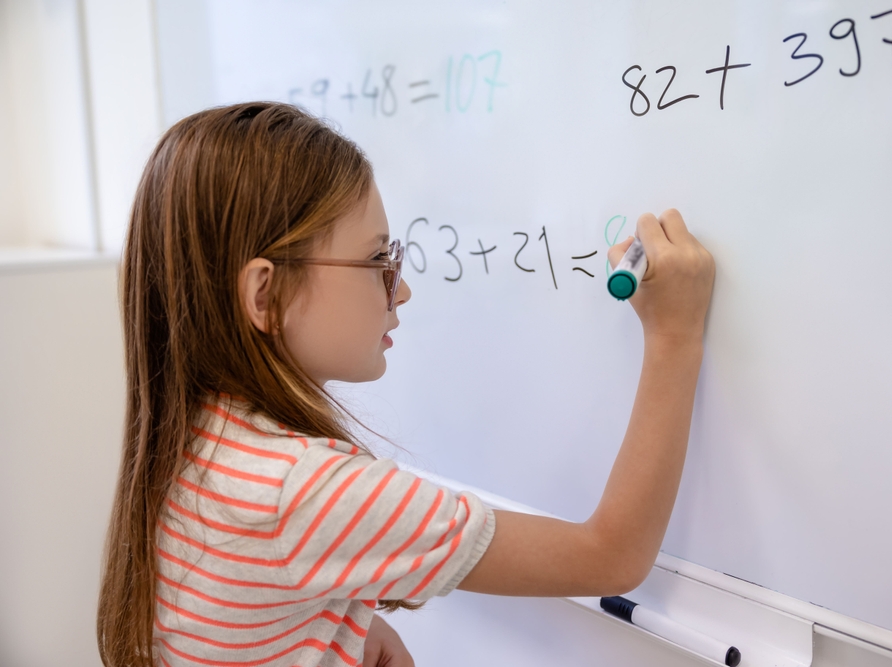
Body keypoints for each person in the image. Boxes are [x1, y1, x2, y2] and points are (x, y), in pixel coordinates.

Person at [96, 102, 715, 667]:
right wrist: (675, 337)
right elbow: (610, 555)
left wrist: (335, 634)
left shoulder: (197, 438)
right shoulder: (305, 492)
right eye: (377, 262)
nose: (403, 289)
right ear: (265, 294)